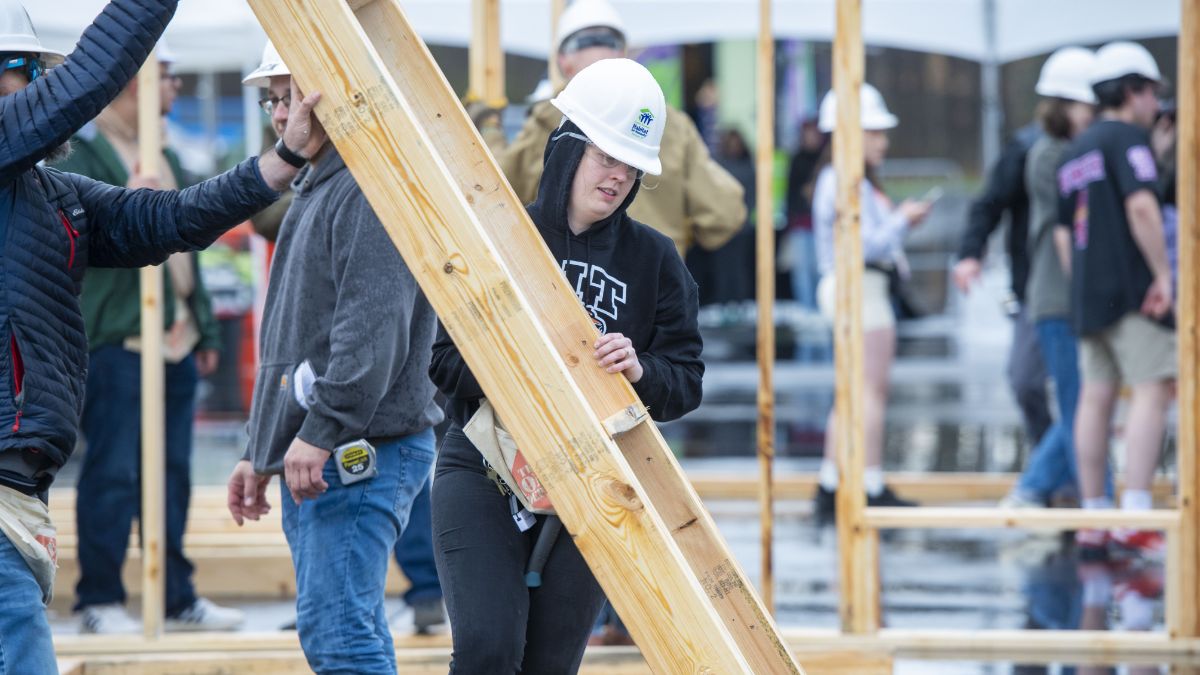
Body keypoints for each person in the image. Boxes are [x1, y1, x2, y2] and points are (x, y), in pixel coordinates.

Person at [0, 0, 319, 671]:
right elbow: (88, 77)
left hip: (20, 486)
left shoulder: (49, 195)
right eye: (24, 71)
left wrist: (283, 159)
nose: (37, 86)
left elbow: (171, 219)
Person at [430, 58, 703, 673]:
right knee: (488, 649)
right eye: (606, 156)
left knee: (551, 665)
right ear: (567, 146)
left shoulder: (654, 260)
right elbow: (441, 360)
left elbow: (686, 382)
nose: (618, 176)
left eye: (631, 166)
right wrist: (529, 366)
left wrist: (640, 372)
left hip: (593, 480)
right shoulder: (500, 238)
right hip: (485, 464)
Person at [226, 57, 444, 673]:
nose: (279, 115)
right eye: (270, 101)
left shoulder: (367, 191)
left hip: (355, 451)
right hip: (329, 452)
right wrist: (261, 450)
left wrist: (320, 432)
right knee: (345, 631)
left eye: (288, 97)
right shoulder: (323, 183)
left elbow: (367, 335)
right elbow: (295, 340)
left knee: (340, 638)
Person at [54, 42, 241, 634]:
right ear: (134, 84)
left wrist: (204, 324)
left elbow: (189, 243)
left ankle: (177, 594)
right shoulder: (83, 154)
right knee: (112, 471)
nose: (175, 89)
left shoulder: (171, 155)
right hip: (116, 339)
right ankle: (100, 598)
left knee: (174, 473)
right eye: (165, 77)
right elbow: (88, 239)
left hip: (175, 340)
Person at [499, 0, 745, 259]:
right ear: (624, 54)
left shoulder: (552, 117)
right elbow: (725, 212)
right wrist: (672, 231)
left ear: (564, 62)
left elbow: (495, 194)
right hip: (652, 284)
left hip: (565, 286)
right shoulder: (669, 124)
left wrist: (490, 131)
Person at [1054, 41, 1173, 558]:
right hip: (1130, 293)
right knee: (1154, 388)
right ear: (1130, 91)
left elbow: (1063, 233)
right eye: (1151, 91)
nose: (1155, 104)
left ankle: (1095, 514)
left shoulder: (1075, 148)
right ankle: (1137, 512)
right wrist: (1164, 276)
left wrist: (1079, 284)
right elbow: (1143, 207)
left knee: (1095, 397)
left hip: (1087, 295)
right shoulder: (1129, 139)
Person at [810, 83, 933, 521]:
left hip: (855, 287)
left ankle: (832, 482)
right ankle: (870, 483)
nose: (882, 139)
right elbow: (863, 245)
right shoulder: (846, 180)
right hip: (860, 287)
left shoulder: (843, 179)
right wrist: (903, 220)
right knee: (870, 392)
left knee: (852, 392)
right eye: (873, 130)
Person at [1002, 47, 1099, 509]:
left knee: (1088, 404)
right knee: (1083, 407)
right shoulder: (1049, 156)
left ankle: (1088, 495)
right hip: (1057, 297)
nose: (1094, 115)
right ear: (1064, 106)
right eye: (1087, 107)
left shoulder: (1066, 151)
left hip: (1066, 295)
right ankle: (1034, 487)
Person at [953, 80, 1053, 450]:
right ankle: (1053, 471)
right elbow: (990, 203)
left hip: (1088, 290)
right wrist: (970, 252)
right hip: (1035, 287)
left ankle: (1076, 482)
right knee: (1025, 380)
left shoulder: (1101, 147)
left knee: (1088, 395)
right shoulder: (1025, 148)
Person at [786, 117, 828, 312]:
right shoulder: (797, 160)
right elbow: (791, 195)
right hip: (801, 226)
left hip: (822, 228)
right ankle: (807, 320)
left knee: (821, 276)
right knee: (803, 277)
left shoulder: (825, 161)